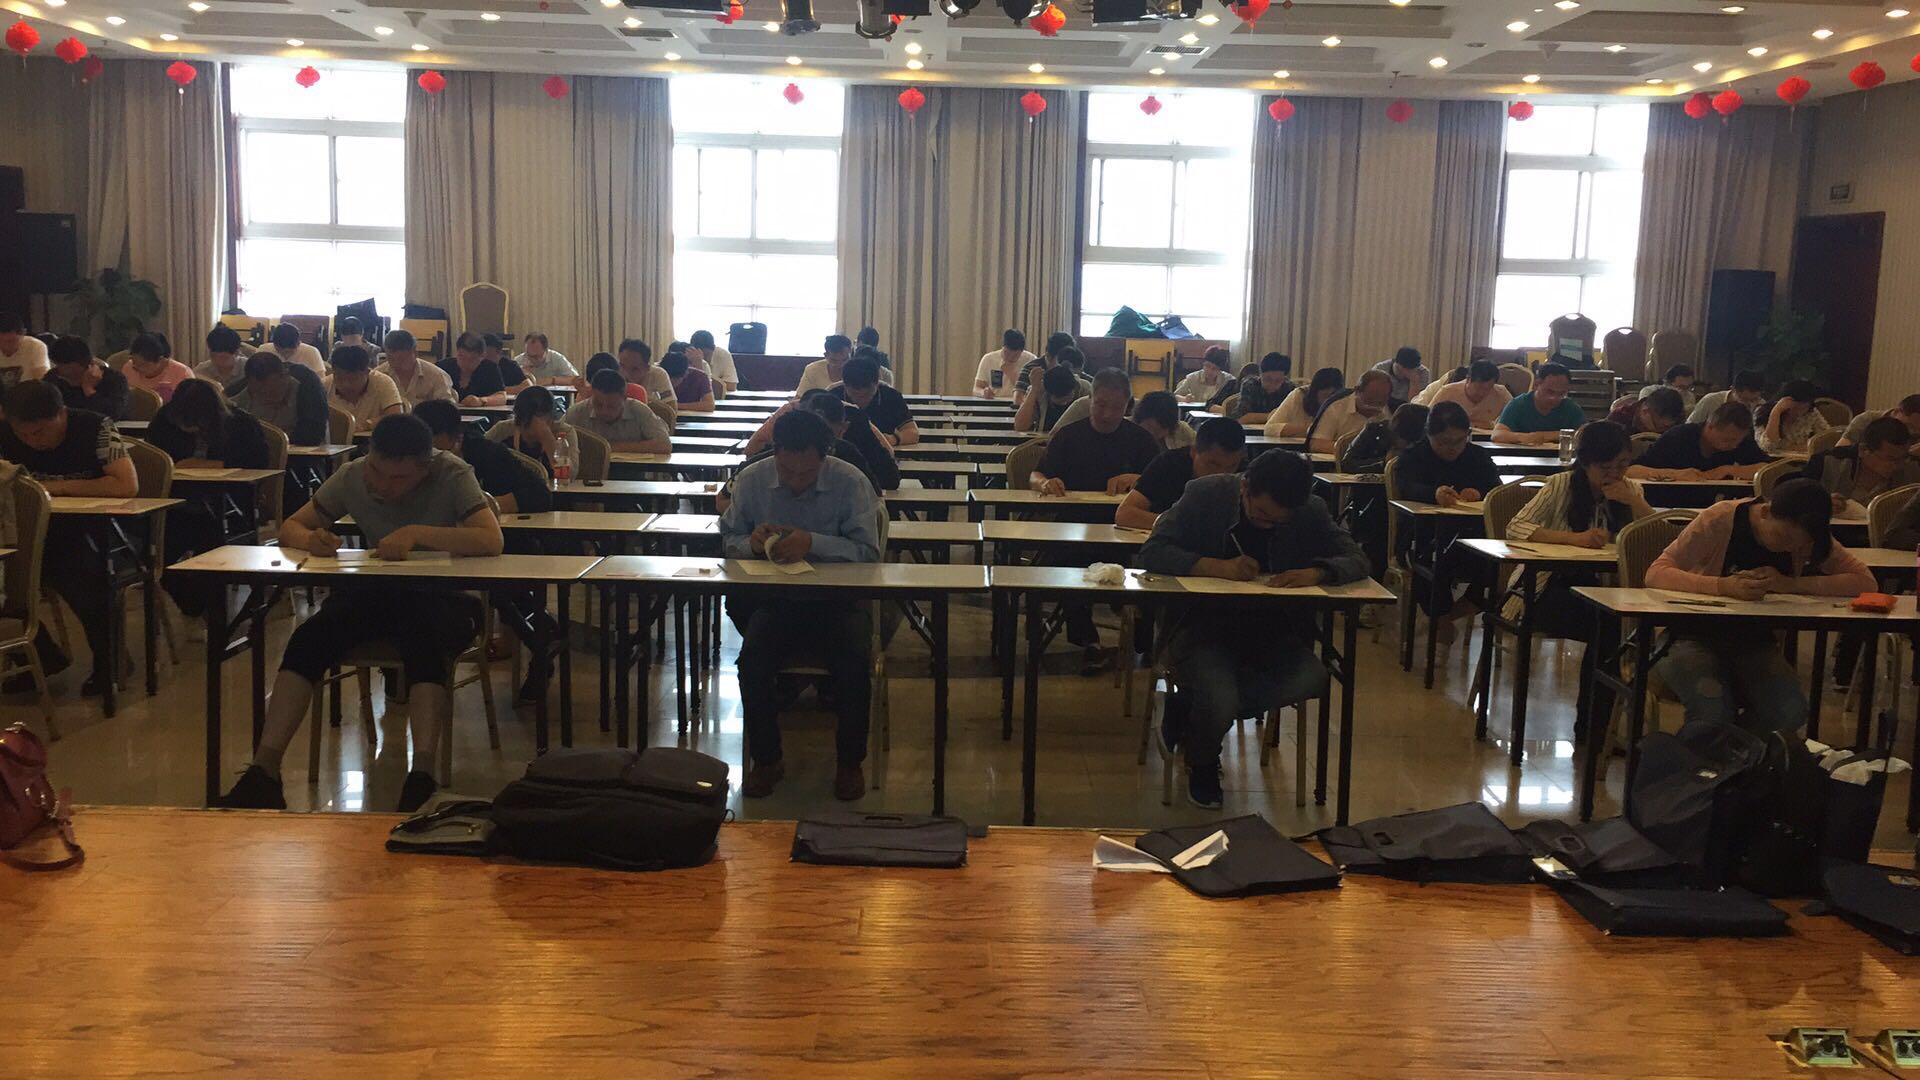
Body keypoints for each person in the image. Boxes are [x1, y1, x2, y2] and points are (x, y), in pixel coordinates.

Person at [215, 414, 504, 813]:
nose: (383, 486)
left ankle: (422, 774)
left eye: (398, 479)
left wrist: (417, 533)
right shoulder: (352, 475)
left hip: (445, 595)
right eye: (376, 472)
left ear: (426, 467)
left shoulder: (453, 473)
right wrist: (313, 539)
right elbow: (291, 527)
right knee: (309, 639)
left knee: (425, 642)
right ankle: (264, 771)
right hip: (376, 589)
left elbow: (491, 539)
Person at [1138, 449, 1369, 808]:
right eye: (1260, 513)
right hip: (1201, 628)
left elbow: (1357, 558)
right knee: (1220, 698)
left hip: (1274, 633)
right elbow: (1152, 552)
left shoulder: (1311, 509)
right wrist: (1212, 566)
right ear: (1244, 486)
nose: (1267, 524)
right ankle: (1203, 759)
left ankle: (1194, 711)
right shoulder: (1205, 494)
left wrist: (1319, 572)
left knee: (1313, 678)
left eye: (1278, 521)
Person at [719, 409, 882, 802]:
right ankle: (767, 759)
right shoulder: (753, 479)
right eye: (786, 470)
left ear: (824, 457)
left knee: (853, 664)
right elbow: (728, 539)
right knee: (751, 663)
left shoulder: (850, 482)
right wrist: (751, 544)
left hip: (838, 602)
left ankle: (850, 762)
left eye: (805, 473)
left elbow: (867, 553)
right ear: (775, 453)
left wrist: (814, 542)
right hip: (778, 601)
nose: (794, 481)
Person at [1645, 478, 1874, 734]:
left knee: (1791, 711)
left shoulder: (1808, 535)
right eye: (1782, 537)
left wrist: (1792, 584)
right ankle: (1706, 755)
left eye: (1798, 545)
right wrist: (1723, 586)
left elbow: (1865, 581)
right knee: (1713, 711)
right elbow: (1656, 573)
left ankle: (1737, 752)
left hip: (1754, 643)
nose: (1788, 548)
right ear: (1765, 512)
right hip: (1689, 636)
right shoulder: (1721, 519)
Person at [1502, 421, 1654, 725]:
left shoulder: (1632, 490)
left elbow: (1654, 537)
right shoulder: (1561, 485)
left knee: (1619, 624)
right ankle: (1592, 727)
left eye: (1622, 465)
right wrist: (1574, 539)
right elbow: (1516, 527)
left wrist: (1635, 504)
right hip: (1546, 587)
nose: (1615, 474)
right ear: (1585, 463)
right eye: (1605, 467)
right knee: (1608, 626)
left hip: (1605, 587)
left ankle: (1596, 727)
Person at [0, 380, 139, 696]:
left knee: (82, 574)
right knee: (6, 581)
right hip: (24, 531)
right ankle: (40, 655)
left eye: (39, 432)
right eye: (23, 435)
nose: (31, 441)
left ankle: (110, 660)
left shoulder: (94, 427)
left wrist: (51, 489)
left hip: (91, 529)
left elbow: (126, 485)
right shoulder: (5, 433)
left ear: (61, 413)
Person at [416, 399, 559, 704]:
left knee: (501, 585)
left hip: (499, 543)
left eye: (437, 447)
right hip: (435, 549)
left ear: (457, 438)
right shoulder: (407, 459)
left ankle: (539, 647)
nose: (429, 457)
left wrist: (479, 507)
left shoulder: (487, 454)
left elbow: (539, 495)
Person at [1030, 368, 1161, 672]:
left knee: (1153, 563)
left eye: (1116, 407)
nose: (1107, 414)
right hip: (1073, 527)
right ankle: (1089, 642)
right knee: (1068, 568)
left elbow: (1161, 483)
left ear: (1128, 405)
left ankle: (1143, 642)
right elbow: (1036, 474)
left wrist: (1137, 478)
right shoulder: (1068, 435)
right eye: (1100, 405)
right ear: (1089, 400)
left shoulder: (1141, 440)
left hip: (1127, 529)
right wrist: (1044, 483)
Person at [145, 379, 272, 616]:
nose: (189, 427)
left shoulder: (241, 424)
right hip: (179, 506)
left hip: (229, 506)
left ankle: (212, 615)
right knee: (154, 548)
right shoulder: (165, 420)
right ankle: (191, 603)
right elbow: (155, 458)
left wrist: (213, 465)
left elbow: (259, 462)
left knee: (211, 543)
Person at [1394, 401, 1503, 633]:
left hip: (1470, 536)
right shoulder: (1413, 456)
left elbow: (1498, 490)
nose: (1451, 448)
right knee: (1428, 563)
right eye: (1442, 442)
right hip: (1422, 535)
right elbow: (1407, 487)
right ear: (1428, 435)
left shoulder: (1477, 456)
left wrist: (1480, 493)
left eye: (1459, 441)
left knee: (1497, 564)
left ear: (1468, 434)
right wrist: (1433, 494)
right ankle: (1440, 617)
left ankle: (1449, 616)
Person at [741, 389, 899, 492]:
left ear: (843, 429)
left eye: (826, 435)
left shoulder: (852, 435)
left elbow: (889, 478)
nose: (818, 439)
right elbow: (751, 451)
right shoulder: (788, 422)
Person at [1116, 415, 1246, 531]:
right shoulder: (1169, 464)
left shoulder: (1245, 474)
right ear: (1194, 451)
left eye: (1231, 467)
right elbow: (1125, 514)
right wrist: (1180, 526)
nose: (1221, 474)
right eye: (1212, 464)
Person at [1801, 416, 1920, 513]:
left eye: (1903, 458)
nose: (1897, 465)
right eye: (1890, 459)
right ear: (1863, 450)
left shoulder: (1912, 469)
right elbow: (1798, 500)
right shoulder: (1828, 462)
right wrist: (1821, 503)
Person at [1628, 401, 1771, 482]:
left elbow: (1767, 469)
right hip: (1669, 505)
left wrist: (1727, 469)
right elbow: (1632, 470)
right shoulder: (1679, 437)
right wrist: (1676, 474)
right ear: (1710, 426)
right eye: (1727, 440)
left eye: (1737, 442)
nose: (1733, 446)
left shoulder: (1739, 441)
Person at [229, 350, 328, 445]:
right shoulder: (235, 396)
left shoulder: (307, 386)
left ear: (286, 376)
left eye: (273, 391)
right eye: (259, 393)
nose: (267, 397)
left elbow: (313, 435)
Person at [564, 368, 671, 453]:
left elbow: (664, 444)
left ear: (624, 399)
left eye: (612, 406)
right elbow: (557, 439)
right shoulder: (576, 413)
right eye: (598, 404)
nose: (604, 411)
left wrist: (608, 447)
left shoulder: (639, 410)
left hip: (632, 473)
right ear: (591, 395)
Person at [1297, 369, 1392, 455]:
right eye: (1371, 397)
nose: (1377, 402)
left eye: (1383, 398)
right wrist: (1353, 450)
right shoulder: (1337, 407)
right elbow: (1316, 444)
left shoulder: (1386, 412)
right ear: (1357, 391)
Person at [832, 354, 918, 446]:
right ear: (845, 385)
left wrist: (893, 439)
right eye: (855, 394)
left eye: (868, 394)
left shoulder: (891, 396)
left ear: (877, 383)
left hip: (882, 449)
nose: (862, 399)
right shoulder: (832, 396)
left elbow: (912, 432)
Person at [1493, 362, 1584, 445]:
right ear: (1536, 385)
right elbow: (1497, 435)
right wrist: (1525, 437)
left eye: (1562, 393)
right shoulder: (1519, 404)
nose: (1554, 398)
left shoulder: (1571, 409)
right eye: (1550, 392)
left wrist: (1544, 436)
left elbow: (1583, 434)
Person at [45, 335, 130, 420]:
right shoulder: (53, 378)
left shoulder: (114, 379)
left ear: (75, 365)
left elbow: (113, 414)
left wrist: (89, 390)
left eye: (59, 364)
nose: (56, 368)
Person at [486, 385, 565, 475]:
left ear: (550, 420)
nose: (533, 430)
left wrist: (548, 439)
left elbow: (569, 476)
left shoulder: (564, 433)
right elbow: (476, 453)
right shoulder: (503, 430)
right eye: (525, 422)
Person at [325, 344, 404, 433]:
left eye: (353, 379)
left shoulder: (382, 382)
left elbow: (396, 417)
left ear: (367, 372)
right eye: (339, 378)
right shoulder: (324, 386)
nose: (346, 385)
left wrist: (367, 424)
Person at [377, 329, 456, 408]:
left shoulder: (436, 375)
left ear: (415, 353)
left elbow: (447, 408)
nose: (397, 363)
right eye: (391, 358)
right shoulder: (378, 375)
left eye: (402, 359)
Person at [1262, 366, 1345, 439]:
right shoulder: (1299, 395)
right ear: (1314, 393)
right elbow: (1270, 429)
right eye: (1325, 395)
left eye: (1334, 397)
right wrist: (1313, 430)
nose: (1329, 401)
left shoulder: (1344, 403)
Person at [1424, 359, 1511, 428]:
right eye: (1478, 388)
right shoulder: (1448, 392)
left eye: (1487, 389)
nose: (1482, 393)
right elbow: (1428, 418)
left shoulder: (1501, 393)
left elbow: (1514, 417)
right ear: (1468, 380)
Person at [1016, 356, 1087, 434]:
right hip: (1043, 438)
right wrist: (1034, 389)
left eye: (1068, 398)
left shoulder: (1084, 389)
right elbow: (1020, 426)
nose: (1064, 403)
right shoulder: (1039, 389)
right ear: (1048, 393)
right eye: (1060, 400)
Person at [1758, 379, 1830, 454]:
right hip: (1774, 459)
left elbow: (1827, 436)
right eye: (1795, 407)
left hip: (1801, 457)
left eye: (1804, 408)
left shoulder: (1810, 412)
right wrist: (1776, 412)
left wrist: (1807, 445)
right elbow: (1769, 446)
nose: (1799, 412)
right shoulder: (1763, 412)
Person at [122, 332, 194, 403]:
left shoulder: (182, 374)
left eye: (142, 365)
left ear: (160, 360)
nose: (136, 368)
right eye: (134, 362)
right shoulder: (129, 368)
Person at [441, 331, 507, 406]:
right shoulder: (443, 367)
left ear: (482, 356)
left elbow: (501, 397)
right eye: (461, 356)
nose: (466, 362)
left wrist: (481, 400)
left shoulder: (490, 368)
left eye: (473, 358)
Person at [1227, 352, 1294, 424]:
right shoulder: (1250, 385)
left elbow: (1294, 417)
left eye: (1278, 381)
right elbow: (1243, 417)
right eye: (1268, 379)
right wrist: (1275, 415)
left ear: (1284, 378)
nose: (1272, 384)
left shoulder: (1289, 388)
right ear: (1260, 375)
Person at [1014, 332, 1079, 404]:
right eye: (1061, 361)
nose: (1066, 366)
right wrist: (1035, 390)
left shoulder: (1074, 369)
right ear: (1048, 356)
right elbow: (1018, 399)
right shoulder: (1032, 369)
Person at [1838, 393, 1920, 448]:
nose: (1912, 432)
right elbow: (1839, 453)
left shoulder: (1915, 435)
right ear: (1896, 412)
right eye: (1910, 426)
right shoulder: (1867, 420)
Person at [1688, 369, 1768, 425]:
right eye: (1744, 399)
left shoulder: (1761, 405)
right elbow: (1690, 426)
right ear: (1732, 389)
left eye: (1754, 400)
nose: (1748, 404)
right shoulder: (1711, 400)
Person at [1606, 385, 1686, 436]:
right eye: (1660, 427)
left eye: (1668, 427)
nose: (1664, 430)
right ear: (1645, 411)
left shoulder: (1679, 421)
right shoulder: (1620, 418)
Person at [976, 330, 1034, 399]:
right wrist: (983, 392)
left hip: (1020, 402)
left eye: (1015, 355)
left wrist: (1010, 371)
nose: (1010, 357)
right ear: (1003, 347)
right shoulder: (989, 358)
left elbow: (1032, 390)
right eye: (1007, 353)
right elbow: (977, 388)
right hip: (994, 400)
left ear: (1022, 351)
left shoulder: (1031, 360)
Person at [617, 339, 675, 407]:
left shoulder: (658, 374)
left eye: (635, 369)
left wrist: (644, 401)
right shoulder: (613, 374)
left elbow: (671, 407)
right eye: (622, 366)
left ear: (647, 368)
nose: (626, 374)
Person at [0, 313, 50, 389]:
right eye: (1, 341)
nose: (6, 346)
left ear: (24, 333)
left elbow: (42, 380)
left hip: (30, 394)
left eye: (11, 341)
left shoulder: (35, 346)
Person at [195, 325, 248, 392]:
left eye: (223, 358)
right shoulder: (201, 371)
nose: (218, 361)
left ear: (237, 352)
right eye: (213, 356)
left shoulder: (248, 369)